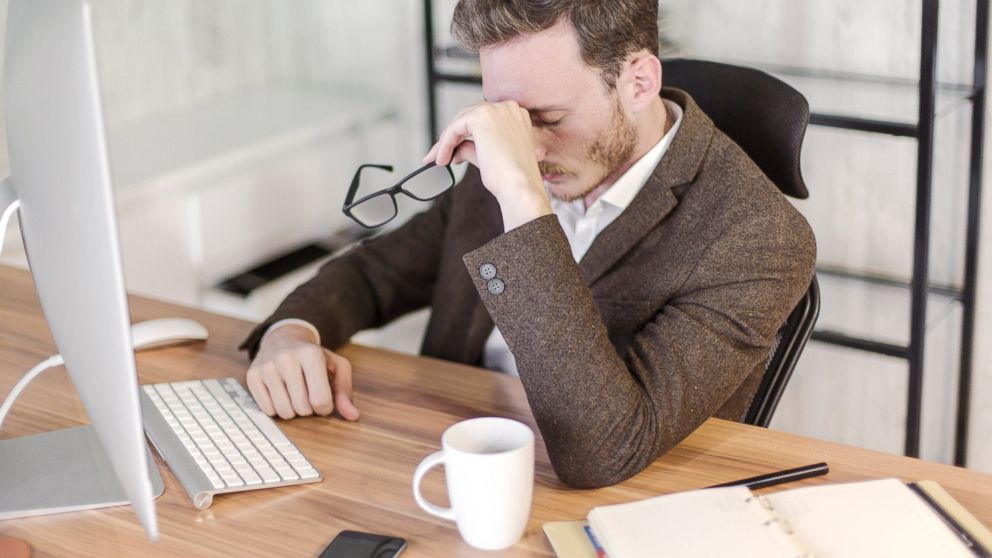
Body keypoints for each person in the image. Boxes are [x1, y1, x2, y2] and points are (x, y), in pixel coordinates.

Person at [240, 0, 816, 488]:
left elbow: (604, 449)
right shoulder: (512, 151)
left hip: (600, 502)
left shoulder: (757, 238)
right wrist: (291, 333)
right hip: (452, 458)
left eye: (546, 117)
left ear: (639, 81)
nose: (527, 147)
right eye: (507, 116)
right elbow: (375, 275)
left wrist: (522, 200)